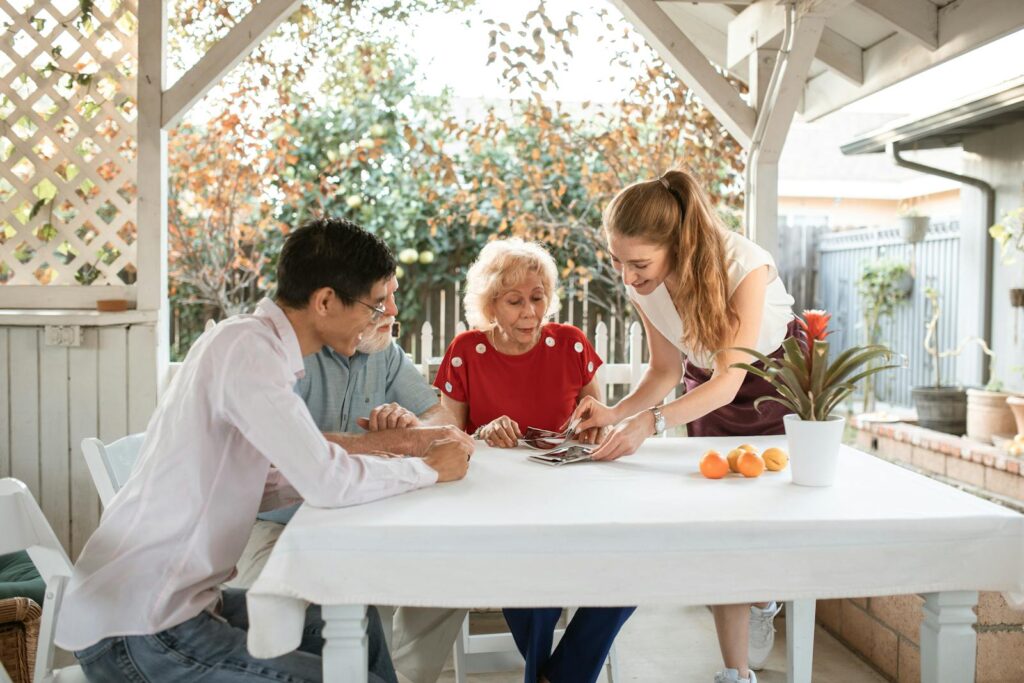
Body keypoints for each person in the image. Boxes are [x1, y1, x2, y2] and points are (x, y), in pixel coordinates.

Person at [56, 217, 472, 683]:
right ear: (325, 301)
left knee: (358, 622)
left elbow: (272, 478)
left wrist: (384, 462)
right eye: (374, 306)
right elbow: (325, 480)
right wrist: (429, 471)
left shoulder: (252, 346)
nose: (383, 318)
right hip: (141, 629)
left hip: (180, 605)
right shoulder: (249, 354)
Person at [569, 169, 797, 683]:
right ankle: (736, 674)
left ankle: (760, 595)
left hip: (773, 384)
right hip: (710, 388)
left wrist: (651, 423)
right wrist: (613, 414)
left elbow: (731, 380)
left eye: (639, 264)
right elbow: (666, 371)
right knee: (722, 524)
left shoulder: (745, 265)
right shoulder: (644, 283)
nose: (627, 277)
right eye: (617, 261)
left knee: (763, 517)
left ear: (678, 243)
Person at [232, 272, 471, 683]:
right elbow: (289, 449)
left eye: (392, 298)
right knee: (274, 618)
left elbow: (444, 425)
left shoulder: (384, 353)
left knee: (450, 571)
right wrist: (405, 444)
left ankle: (405, 677)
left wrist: (409, 424)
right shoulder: (283, 356)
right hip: (277, 523)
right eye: (380, 302)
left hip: (363, 516)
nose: (393, 312)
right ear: (331, 305)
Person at [433, 238, 634, 683]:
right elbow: (448, 436)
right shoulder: (467, 350)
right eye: (514, 301)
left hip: (571, 500)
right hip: (497, 505)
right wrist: (482, 433)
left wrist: (591, 424)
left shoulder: (572, 345)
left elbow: (594, 419)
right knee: (529, 571)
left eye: (538, 298)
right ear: (490, 304)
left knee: (633, 570)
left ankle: (548, 678)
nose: (529, 311)